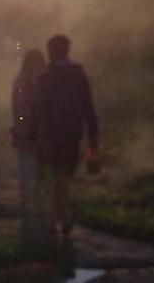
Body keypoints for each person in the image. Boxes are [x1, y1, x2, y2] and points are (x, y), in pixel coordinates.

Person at [31, 33, 99, 237]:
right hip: (72, 135)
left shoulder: (44, 78)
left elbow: (35, 110)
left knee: (46, 179)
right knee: (63, 178)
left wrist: (29, 133)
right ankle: (63, 216)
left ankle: (54, 218)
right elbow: (89, 108)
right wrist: (93, 138)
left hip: (49, 136)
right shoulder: (79, 75)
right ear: (67, 50)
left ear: (51, 52)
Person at [11, 48, 47, 218]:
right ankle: (40, 204)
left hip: (23, 131)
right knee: (41, 169)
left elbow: (16, 107)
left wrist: (19, 125)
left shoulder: (19, 81)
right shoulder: (45, 80)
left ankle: (26, 204)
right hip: (42, 132)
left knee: (25, 169)